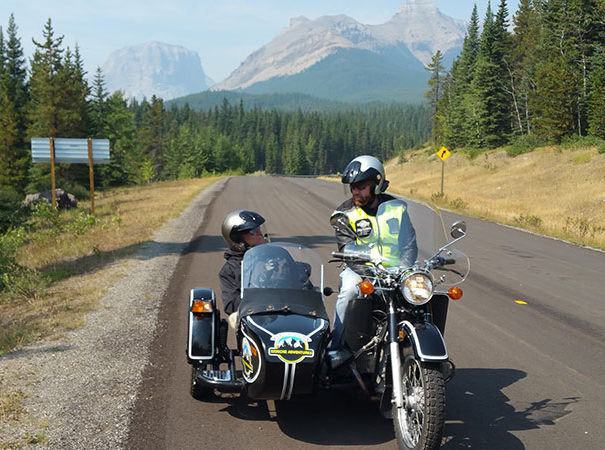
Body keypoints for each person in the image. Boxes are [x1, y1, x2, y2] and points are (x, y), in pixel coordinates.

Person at [329, 155, 418, 364]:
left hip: (397, 269)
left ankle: (422, 344)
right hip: (360, 270)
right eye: (353, 187)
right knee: (350, 290)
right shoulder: (344, 213)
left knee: (421, 292)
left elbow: (409, 244)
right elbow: (347, 250)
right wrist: (369, 276)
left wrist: (404, 270)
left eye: (361, 186)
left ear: (376, 184)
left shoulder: (397, 208)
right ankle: (337, 347)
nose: (355, 192)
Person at [219, 210, 266, 328]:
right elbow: (231, 305)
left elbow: (299, 282)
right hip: (254, 319)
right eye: (253, 231)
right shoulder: (229, 271)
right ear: (237, 238)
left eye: (259, 229)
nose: (259, 233)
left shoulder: (278, 257)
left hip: (285, 312)